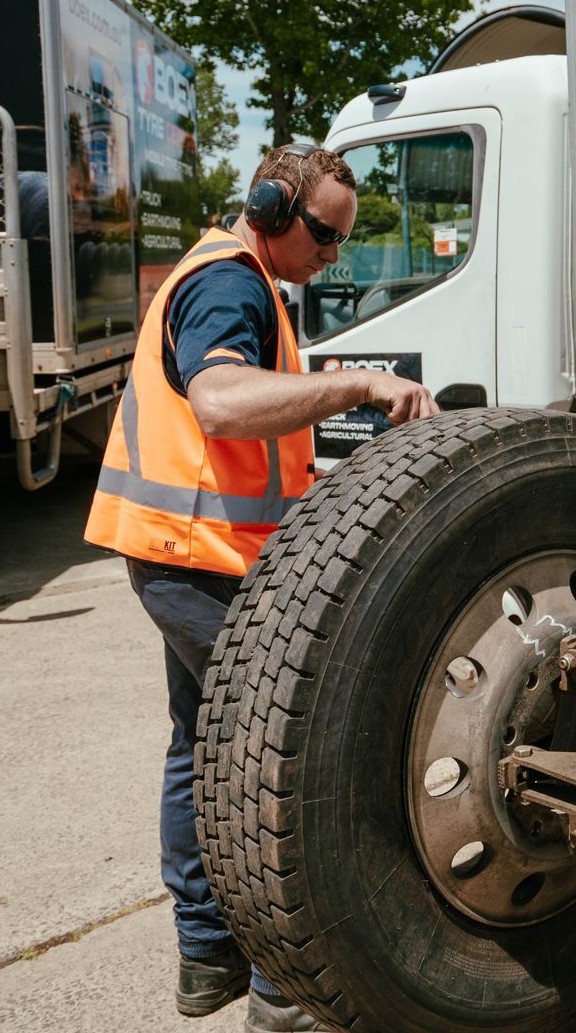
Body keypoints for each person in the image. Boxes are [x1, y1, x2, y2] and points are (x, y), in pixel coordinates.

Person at [85, 143, 438, 1025]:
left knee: (200, 745)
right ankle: (287, 991)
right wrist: (352, 381)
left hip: (187, 552)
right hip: (199, 560)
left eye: (341, 241)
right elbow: (221, 404)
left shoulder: (244, 282)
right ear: (272, 207)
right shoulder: (230, 283)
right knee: (305, 756)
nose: (331, 255)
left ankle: (209, 957)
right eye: (322, 233)